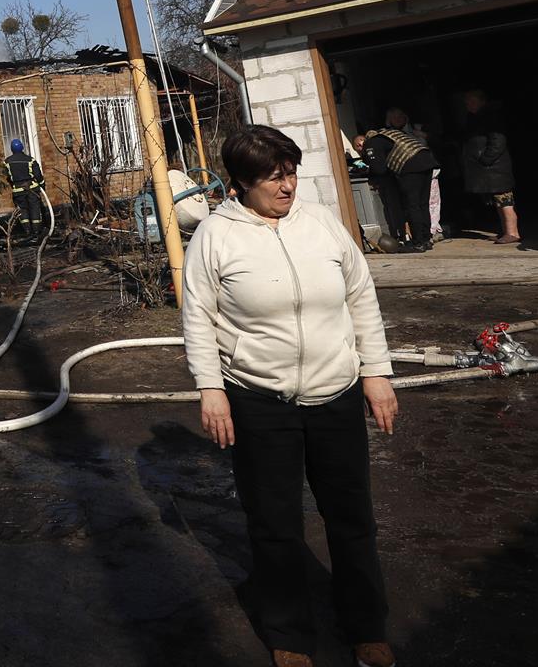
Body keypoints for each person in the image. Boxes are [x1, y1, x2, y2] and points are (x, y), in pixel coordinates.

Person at [182, 125, 399, 667]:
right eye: (273, 178)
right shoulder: (216, 235)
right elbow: (198, 317)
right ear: (241, 182)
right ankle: (290, 635)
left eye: (291, 173)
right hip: (259, 400)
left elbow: (361, 297)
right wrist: (211, 389)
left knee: (352, 517)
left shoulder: (321, 223)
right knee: (275, 524)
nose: (287, 186)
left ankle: (366, 627)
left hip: (335, 393)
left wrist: (376, 372)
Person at [354, 121, 437, 253]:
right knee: (422, 204)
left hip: (411, 166)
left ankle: (418, 243)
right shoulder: (387, 135)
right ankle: (426, 239)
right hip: (426, 160)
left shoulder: (371, 143)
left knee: (413, 205)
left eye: (359, 147)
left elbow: (379, 169)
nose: (359, 149)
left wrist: (368, 170)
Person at [460, 89, 520, 244]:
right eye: (467, 102)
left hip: (496, 168)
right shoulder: (474, 117)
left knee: (505, 199)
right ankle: (505, 231)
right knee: (498, 201)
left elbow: (498, 141)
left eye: (472, 101)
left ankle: (512, 232)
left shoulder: (491, 117)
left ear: (482, 101)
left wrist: (486, 159)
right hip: (488, 168)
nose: (469, 105)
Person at [385, 107, 442, 241]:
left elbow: (437, 141)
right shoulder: (389, 135)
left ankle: (431, 231)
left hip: (427, 168)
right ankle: (419, 235)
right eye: (394, 117)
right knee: (413, 204)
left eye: (400, 115)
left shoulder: (417, 129)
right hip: (406, 172)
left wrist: (424, 135)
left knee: (429, 202)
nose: (398, 119)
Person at [4, 137, 46, 228]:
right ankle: (36, 230)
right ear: (22, 147)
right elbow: (38, 175)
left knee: (22, 210)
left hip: (18, 191)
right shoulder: (30, 160)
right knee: (34, 209)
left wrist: (14, 185)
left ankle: (27, 230)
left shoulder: (7, 162)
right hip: (32, 189)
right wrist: (42, 185)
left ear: (11, 149)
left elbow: (8, 177)